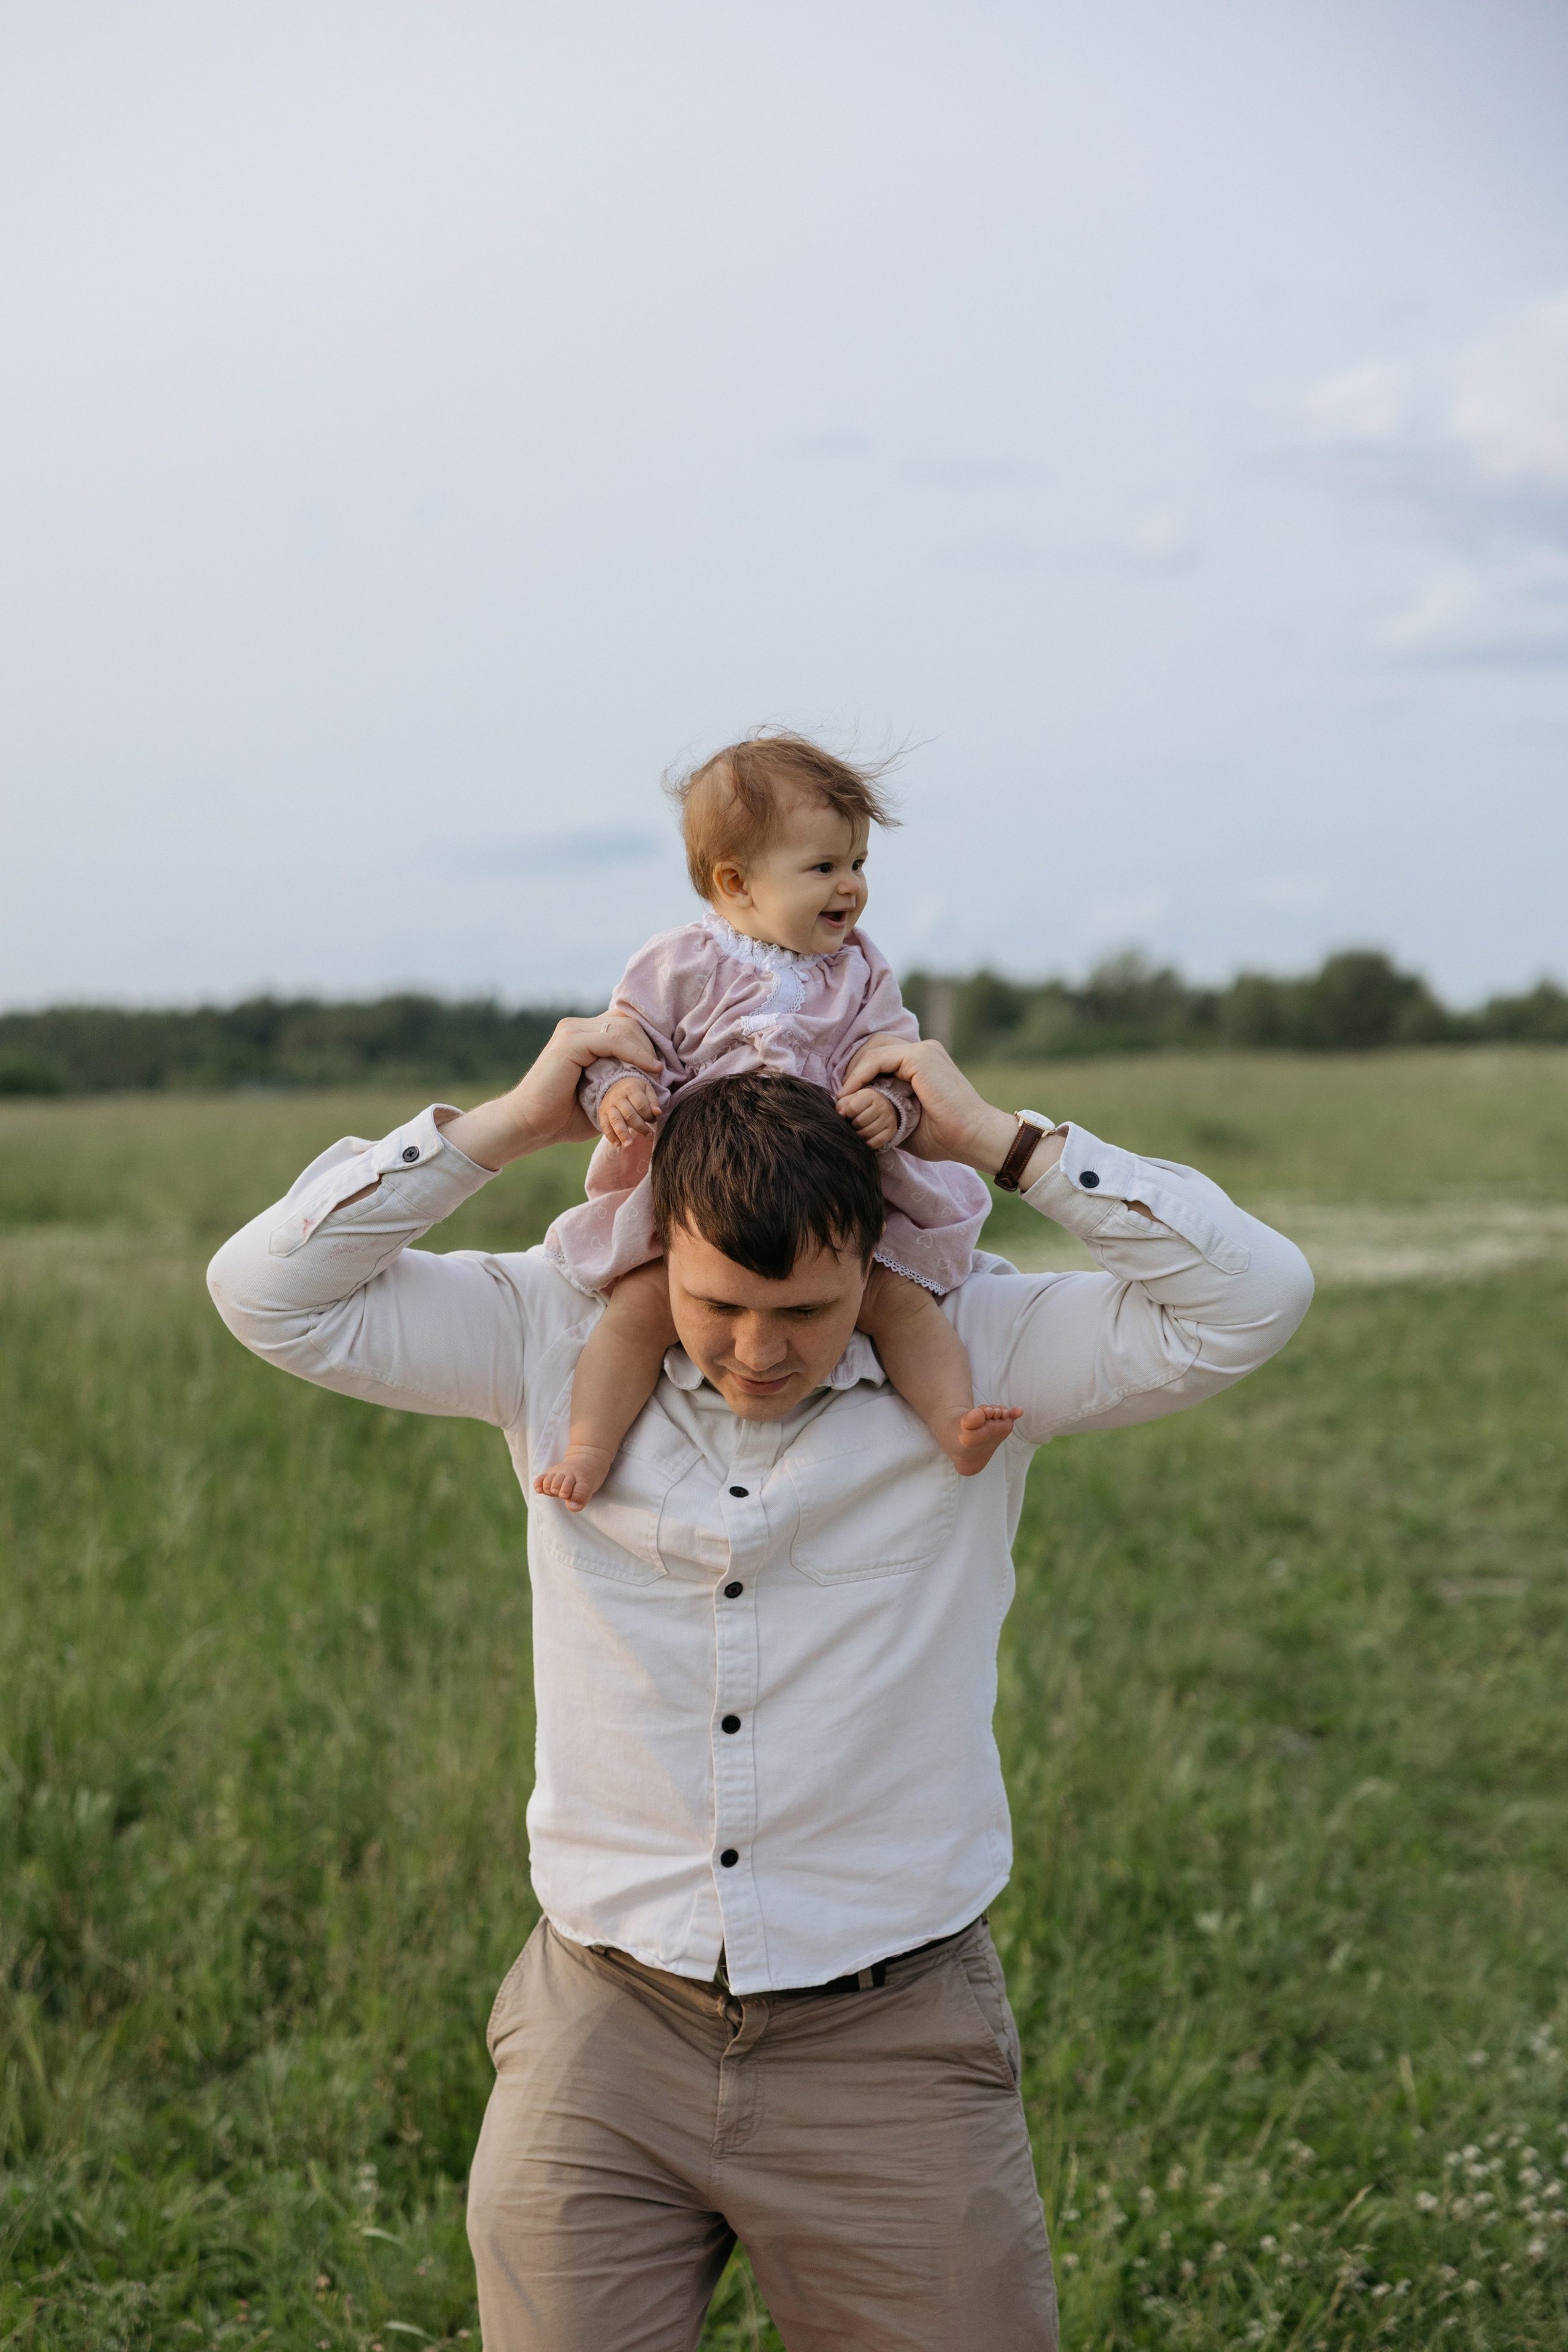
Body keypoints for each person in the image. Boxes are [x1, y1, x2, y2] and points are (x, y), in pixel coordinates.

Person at [206, 1014, 1313, 2352]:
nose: (756, 1350)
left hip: (890, 2036)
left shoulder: (981, 1342)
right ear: (657, 1247)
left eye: (805, 1310)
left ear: (877, 1260)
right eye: (715, 1301)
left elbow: (1254, 1299)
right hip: (601, 2027)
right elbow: (266, 1290)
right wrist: (502, 1126)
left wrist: (1001, 1144)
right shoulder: (544, 1333)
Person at [533, 732, 1012, 1510]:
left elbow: (894, 1057)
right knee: (642, 1306)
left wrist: (887, 1106)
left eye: (858, 864)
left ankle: (953, 1419)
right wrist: (615, 1090)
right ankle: (588, 1447)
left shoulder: (860, 968)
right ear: (737, 882)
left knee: (895, 1300)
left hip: (827, 1184)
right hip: (711, 1189)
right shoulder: (678, 962)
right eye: (824, 867)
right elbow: (618, 1045)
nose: (850, 888)